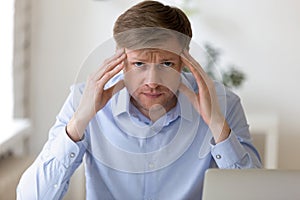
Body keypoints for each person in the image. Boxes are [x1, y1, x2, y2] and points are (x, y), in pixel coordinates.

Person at [17, 1, 261, 199]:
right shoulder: (84, 100)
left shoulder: (223, 103)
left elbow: (257, 196)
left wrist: (217, 125)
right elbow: (31, 197)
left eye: (167, 63)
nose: (152, 80)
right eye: (139, 64)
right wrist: (78, 123)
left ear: (185, 62)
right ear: (119, 60)